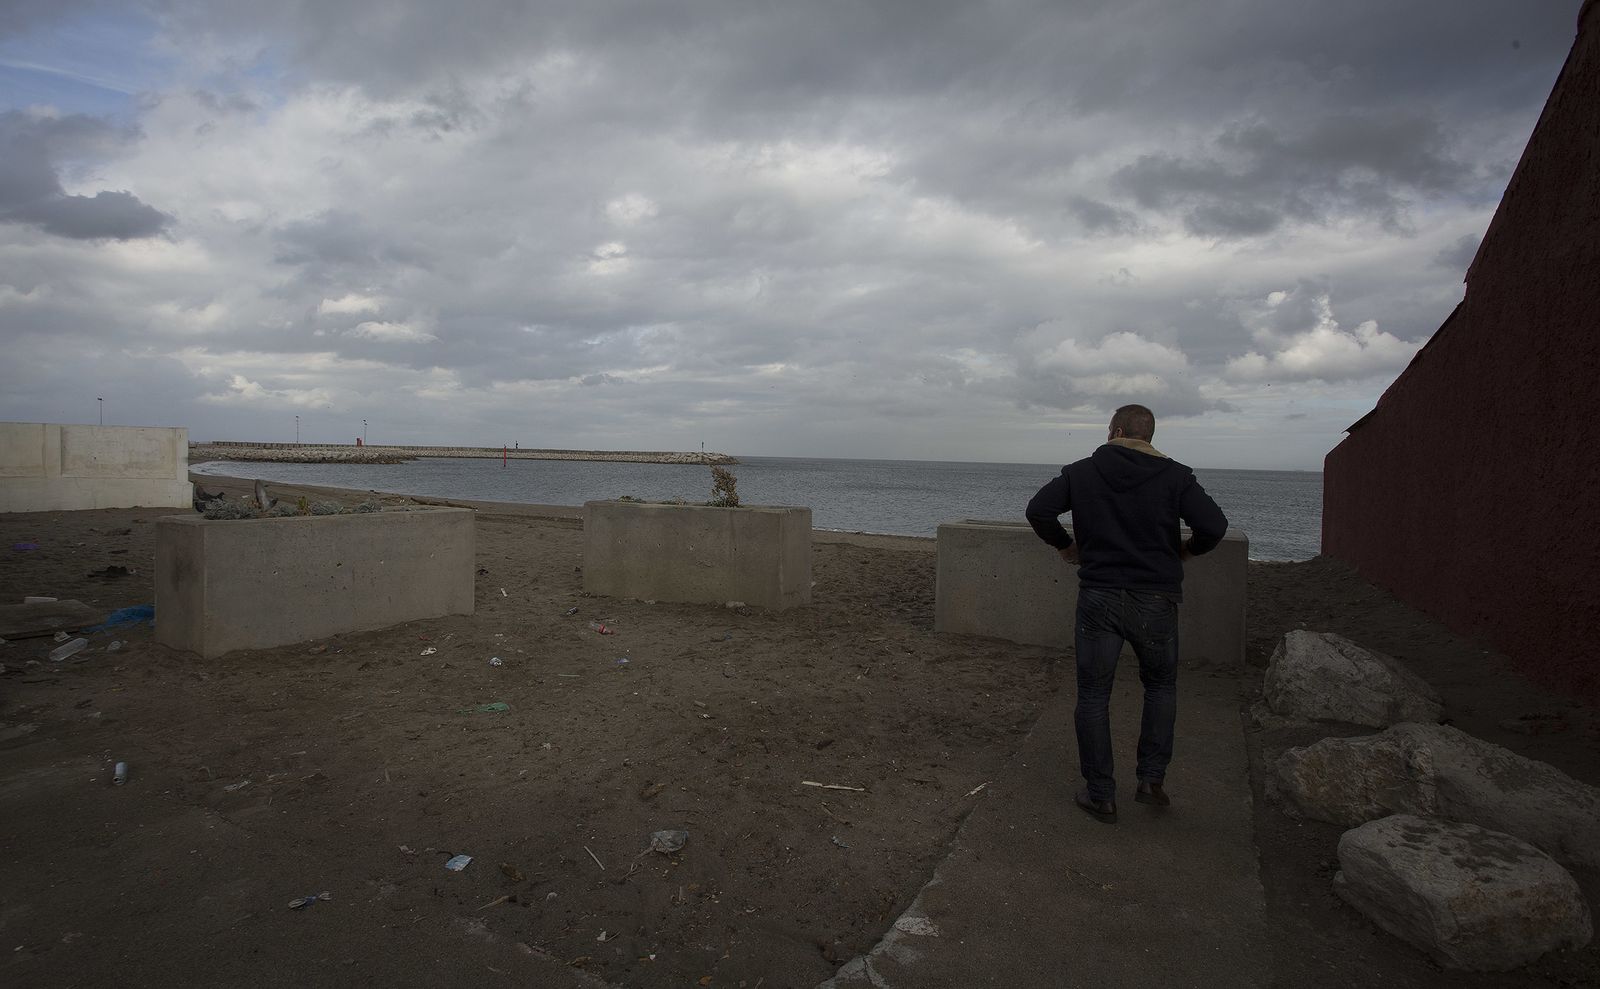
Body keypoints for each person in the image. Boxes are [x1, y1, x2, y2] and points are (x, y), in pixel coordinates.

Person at [1025, 404, 1228, 824]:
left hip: (1099, 597)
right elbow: (1214, 526)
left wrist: (1066, 546)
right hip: (1155, 599)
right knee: (1160, 687)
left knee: (1094, 695)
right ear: (1148, 435)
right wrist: (1185, 551)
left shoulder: (1081, 471)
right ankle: (1151, 780)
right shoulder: (1176, 475)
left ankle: (1101, 795)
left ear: (1115, 430)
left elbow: (1039, 510)